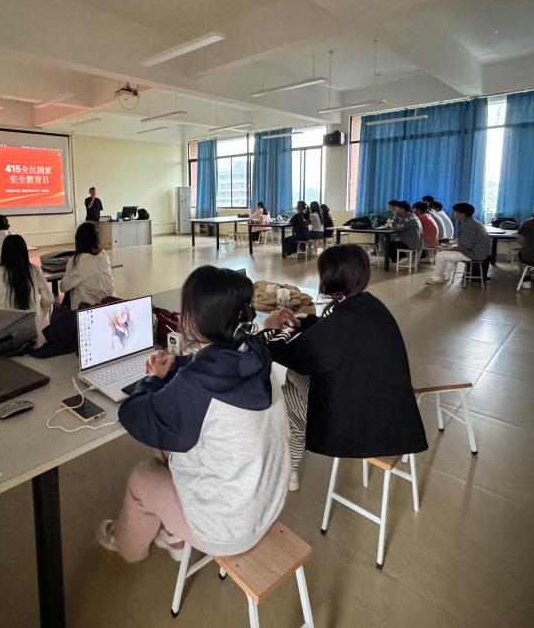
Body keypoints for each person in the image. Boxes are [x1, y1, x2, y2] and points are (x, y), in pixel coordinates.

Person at [96, 266, 289, 563]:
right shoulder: (254, 351)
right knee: (167, 449)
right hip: (267, 500)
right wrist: (176, 366)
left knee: (141, 478)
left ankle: (126, 546)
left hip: (228, 528)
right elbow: (214, 368)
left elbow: (135, 415)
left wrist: (152, 380)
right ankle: (173, 535)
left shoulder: (197, 385)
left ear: (195, 321)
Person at [264, 245, 427, 491]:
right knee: (294, 383)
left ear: (329, 276)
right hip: (388, 409)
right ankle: (292, 467)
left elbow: (290, 353)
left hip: (358, 422)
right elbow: (328, 333)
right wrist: (299, 323)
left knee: (285, 397)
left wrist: (271, 329)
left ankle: (290, 468)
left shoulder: (341, 320)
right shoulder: (368, 304)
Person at [0, 234, 53, 345]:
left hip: (7, 334)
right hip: (33, 331)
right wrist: (39, 318)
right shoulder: (35, 270)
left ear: (4, 253)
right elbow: (48, 300)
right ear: (25, 252)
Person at [424, 202, 490, 284]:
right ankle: (446, 276)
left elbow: (464, 246)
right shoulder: (471, 222)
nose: (453, 213)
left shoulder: (468, 226)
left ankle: (436, 278)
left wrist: (449, 248)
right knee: (447, 254)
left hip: (475, 254)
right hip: (477, 251)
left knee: (440, 255)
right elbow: (465, 242)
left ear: (462, 214)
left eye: (455, 212)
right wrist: (451, 247)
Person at [60, 223, 115, 309]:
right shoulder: (104, 256)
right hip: (109, 304)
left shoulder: (77, 260)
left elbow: (63, 287)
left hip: (88, 309)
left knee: (70, 289)